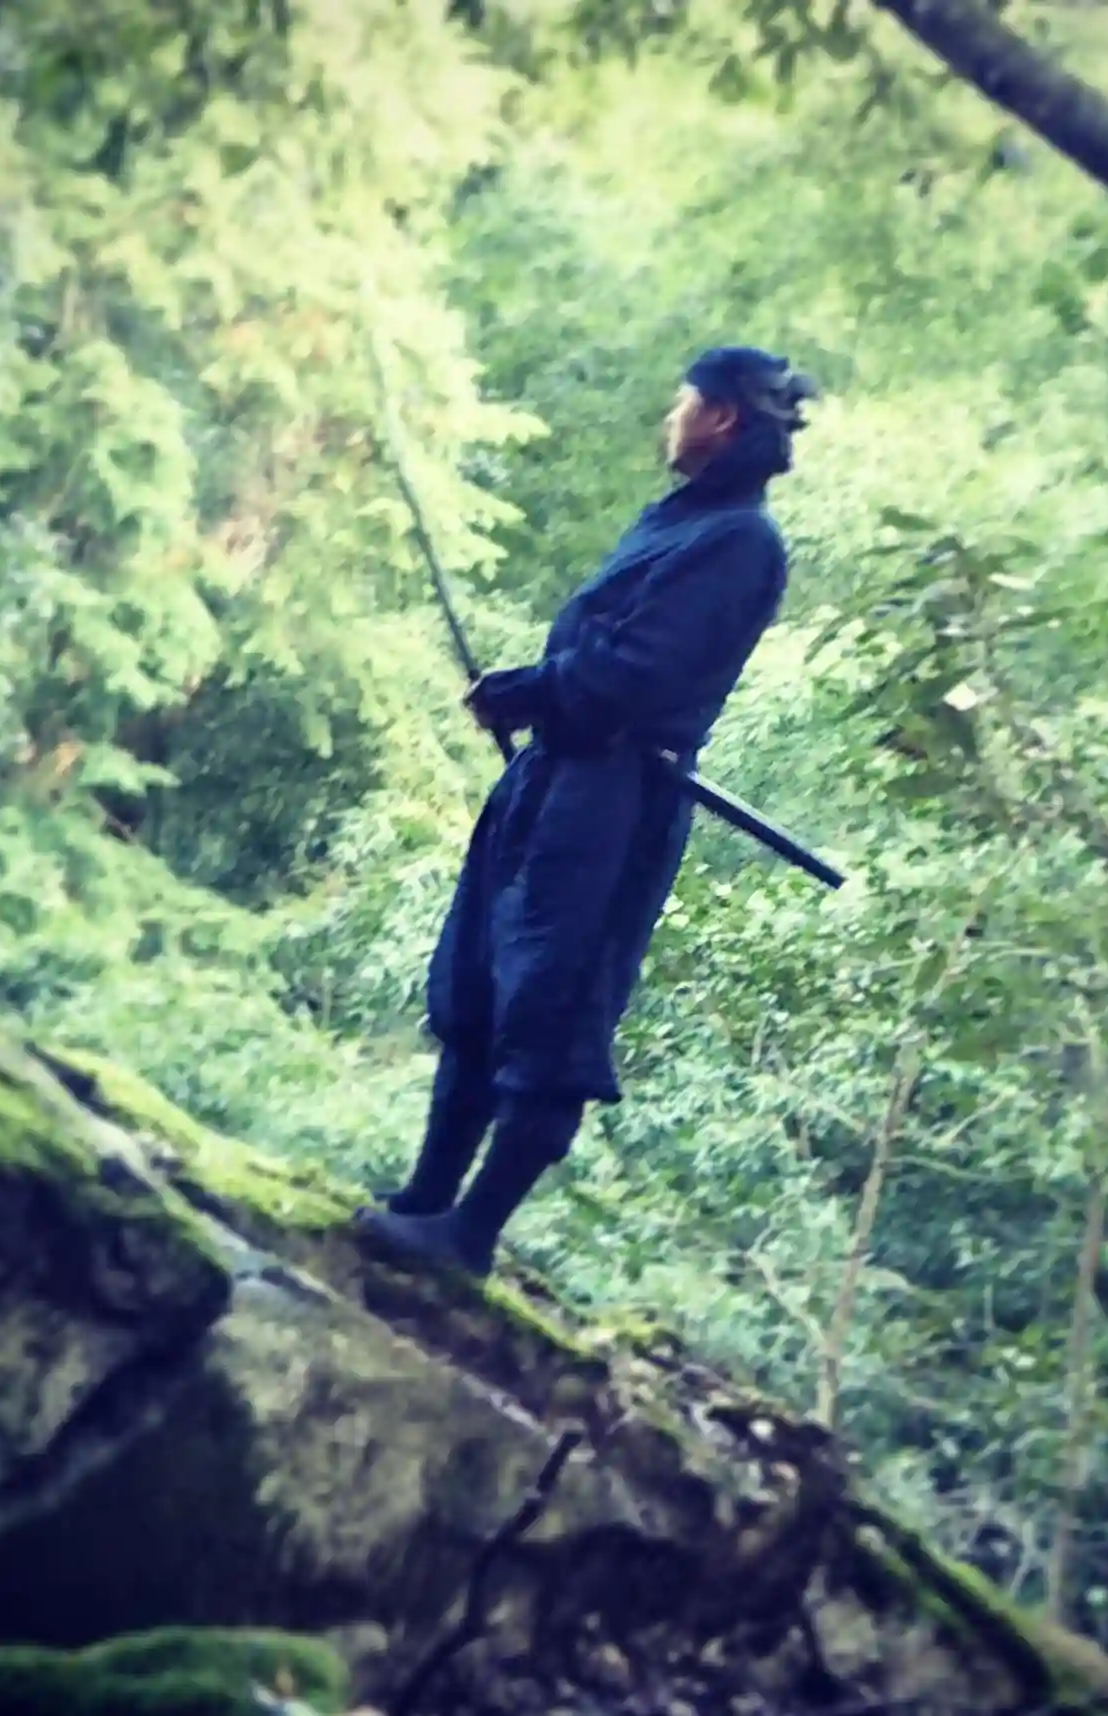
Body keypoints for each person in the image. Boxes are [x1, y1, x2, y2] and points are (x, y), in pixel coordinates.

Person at [355, 344, 818, 1278]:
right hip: (557, 780)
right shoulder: (679, 521)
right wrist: (531, 696)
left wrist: (531, 691)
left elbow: (639, 675)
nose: (671, 417)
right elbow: (598, 654)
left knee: (552, 1003)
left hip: (617, 803)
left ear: (722, 416)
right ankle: (426, 1199)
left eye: (683, 400)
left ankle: (469, 1237)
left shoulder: (742, 542)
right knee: (481, 979)